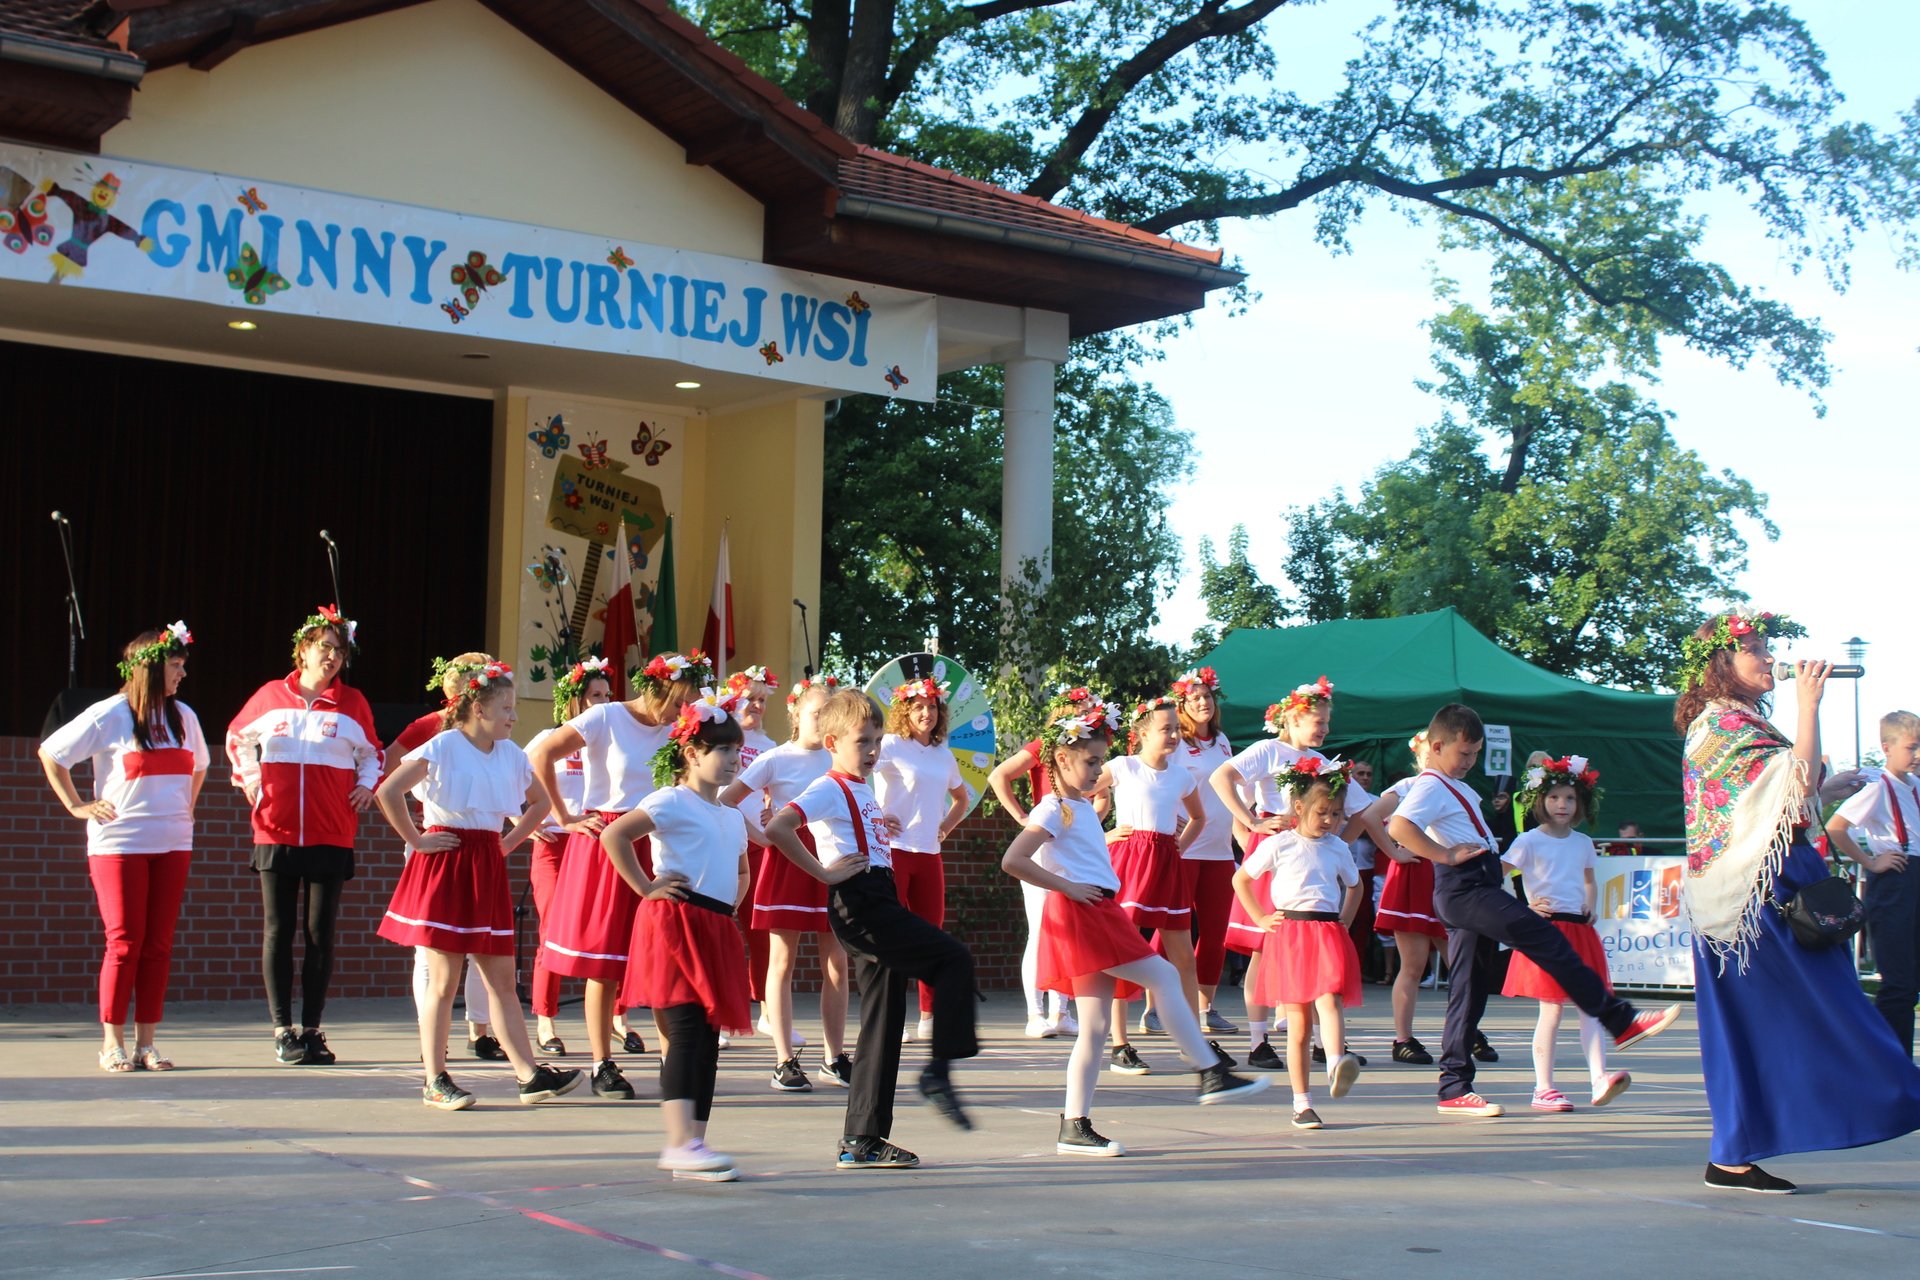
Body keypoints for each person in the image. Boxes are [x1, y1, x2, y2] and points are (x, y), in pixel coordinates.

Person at [1678, 610, 1920, 1191]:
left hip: (1762, 894)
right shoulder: (1724, 728)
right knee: (1830, 1010)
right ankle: (1898, 1098)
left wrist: (1825, 789)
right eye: (1754, 650)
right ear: (1722, 666)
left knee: (1770, 1023)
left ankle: (1731, 1155)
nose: (1768, 659)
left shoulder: (1739, 725)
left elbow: (1787, 799)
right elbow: (1796, 783)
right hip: (1758, 900)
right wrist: (1809, 705)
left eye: (1766, 648)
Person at [1002, 694, 1270, 1156]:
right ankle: (1208, 1070)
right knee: (1165, 974)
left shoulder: (1083, 809)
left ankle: (1074, 1124)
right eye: (1089, 762)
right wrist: (1065, 888)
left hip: (1095, 909)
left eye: (1100, 761)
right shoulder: (1053, 808)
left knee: (1093, 1028)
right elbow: (1013, 860)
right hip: (1084, 913)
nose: (1096, 771)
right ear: (1061, 759)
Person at [1389, 703, 1678, 1118]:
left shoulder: (1456, 786)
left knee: (1468, 990)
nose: (1470, 762)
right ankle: (1620, 1020)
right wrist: (1444, 855)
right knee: (1546, 938)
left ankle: (1454, 1086)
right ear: (1436, 746)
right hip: (1466, 887)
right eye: (1464, 753)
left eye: (1476, 754)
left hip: (1477, 882)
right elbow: (1399, 827)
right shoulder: (1432, 784)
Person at [764, 689, 980, 1170]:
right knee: (953, 958)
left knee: (884, 1021)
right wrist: (823, 874)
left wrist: (880, 821)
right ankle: (939, 1073)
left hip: (876, 896)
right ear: (834, 740)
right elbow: (780, 827)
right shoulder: (828, 785)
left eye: (878, 740)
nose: (873, 750)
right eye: (863, 740)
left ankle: (861, 1139)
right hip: (860, 902)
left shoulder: (863, 790)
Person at [373, 658, 581, 1110]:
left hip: (486, 859)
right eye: (506, 706)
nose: (513, 715)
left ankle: (529, 1074)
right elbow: (388, 791)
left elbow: (540, 802)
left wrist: (506, 843)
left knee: (502, 980)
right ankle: (435, 1078)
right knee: (444, 980)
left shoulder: (511, 754)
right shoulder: (444, 744)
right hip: (446, 860)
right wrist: (417, 840)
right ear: (478, 708)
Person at [529, 650, 709, 1101]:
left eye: (688, 702)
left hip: (660, 840)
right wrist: (565, 816)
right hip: (607, 840)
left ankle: (674, 1061)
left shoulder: (680, 727)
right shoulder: (605, 717)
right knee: (605, 963)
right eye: (678, 700)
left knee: (669, 958)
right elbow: (542, 754)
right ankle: (601, 1064)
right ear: (657, 687)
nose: (681, 711)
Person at [601, 691, 756, 1181]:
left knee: (707, 1037)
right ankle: (678, 1142)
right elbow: (614, 835)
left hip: (715, 926)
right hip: (676, 922)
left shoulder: (731, 815)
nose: (734, 760)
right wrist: (647, 886)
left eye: (737, 751)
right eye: (723, 751)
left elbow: (741, 867)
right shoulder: (670, 800)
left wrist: (731, 902)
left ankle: (695, 1141)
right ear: (692, 754)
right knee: (686, 1029)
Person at [40, 622, 207, 1073]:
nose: (182, 674)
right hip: (120, 843)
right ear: (149, 668)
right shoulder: (109, 714)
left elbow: (199, 767)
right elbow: (52, 753)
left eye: (183, 666)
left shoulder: (184, 717)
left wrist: (184, 810)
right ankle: (111, 1043)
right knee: (124, 942)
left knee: (158, 944)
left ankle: (146, 1043)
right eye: (175, 665)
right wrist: (78, 805)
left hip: (173, 843)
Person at [226, 606, 382, 1067]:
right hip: (274, 830)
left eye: (339, 651)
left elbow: (372, 754)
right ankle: (282, 1029)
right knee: (278, 929)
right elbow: (238, 739)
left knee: (320, 933)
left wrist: (365, 786)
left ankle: (313, 1028)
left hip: (331, 832)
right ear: (303, 650)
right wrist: (253, 784)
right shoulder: (271, 696)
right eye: (324, 647)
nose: (332, 657)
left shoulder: (352, 702)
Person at [1209, 678, 1381, 1070]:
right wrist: (1250, 821)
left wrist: (1341, 840)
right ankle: (1258, 1041)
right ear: (1293, 717)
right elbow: (1221, 778)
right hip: (1276, 849)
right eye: (1318, 721)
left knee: (1315, 958)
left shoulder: (1328, 766)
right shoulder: (1270, 750)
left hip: (1314, 856)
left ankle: (1325, 1044)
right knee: (1263, 947)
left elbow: (1365, 809)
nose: (1324, 729)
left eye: (1326, 723)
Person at [720, 675, 852, 1091]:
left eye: (829, 714)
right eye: (816, 713)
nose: (823, 721)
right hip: (789, 860)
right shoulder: (775, 758)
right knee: (782, 960)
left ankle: (834, 1056)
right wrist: (759, 836)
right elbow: (726, 798)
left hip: (832, 857)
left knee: (836, 961)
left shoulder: (839, 757)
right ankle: (783, 1061)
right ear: (795, 713)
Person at [390, 652, 514, 1061]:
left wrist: (509, 837)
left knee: (485, 948)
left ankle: (480, 1030)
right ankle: (434, 1044)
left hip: (480, 849)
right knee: (434, 953)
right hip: (440, 842)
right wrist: (420, 832)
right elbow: (391, 772)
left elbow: (518, 791)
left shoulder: (500, 744)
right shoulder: (436, 731)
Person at [1235, 757, 1365, 1129]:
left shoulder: (1338, 847)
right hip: (1291, 933)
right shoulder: (1280, 844)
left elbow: (1354, 885)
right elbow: (1241, 880)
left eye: (1337, 814)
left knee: (1331, 999)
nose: (1330, 820)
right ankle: (1302, 1102)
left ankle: (1338, 1061)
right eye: (1322, 812)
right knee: (1298, 1026)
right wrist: (1260, 917)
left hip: (1327, 932)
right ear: (1298, 808)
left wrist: (1346, 919)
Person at [1501, 756, 1630, 1111]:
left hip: (1579, 929)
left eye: (1570, 799)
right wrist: (1524, 909)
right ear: (1540, 800)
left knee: (1591, 1007)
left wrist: (1591, 905)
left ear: (1581, 804)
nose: (1563, 805)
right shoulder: (1528, 841)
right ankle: (1543, 1087)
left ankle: (1599, 1077)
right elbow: (1500, 874)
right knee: (1552, 1010)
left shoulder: (1583, 843)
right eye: (1555, 797)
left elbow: (1589, 881)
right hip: (1546, 930)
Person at [1097, 696, 1208, 1072]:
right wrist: (1105, 835)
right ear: (1142, 734)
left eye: (1177, 728)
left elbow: (1197, 817)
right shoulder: (1122, 766)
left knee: (1183, 955)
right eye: (1166, 729)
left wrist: (1180, 845)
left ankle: (1193, 1041)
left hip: (1166, 861)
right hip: (1129, 859)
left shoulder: (1182, 775)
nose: (1175, 734)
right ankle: (1120, 1045)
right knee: (1123, 952)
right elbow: (1077, 792)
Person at [1365, 733, 1488, 1066]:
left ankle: (1466, 1030)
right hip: (1417, 873)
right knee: (1414, 964)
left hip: (1447, 877)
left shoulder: (1458, 788)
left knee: (1460, 961)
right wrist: (1393, 853)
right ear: (1426, 753)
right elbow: (1370, 817)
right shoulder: (1411, 786)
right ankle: (1403, 1038)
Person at [872, 676, 970, 1041]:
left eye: (931, 706)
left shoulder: (944, 754)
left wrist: (944, 828)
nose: (926, 713)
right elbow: (854, 773)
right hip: (895, 852)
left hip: (930, 854)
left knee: (931, 935)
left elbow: (960, 798)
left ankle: (928, 1016)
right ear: (905, 711)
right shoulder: (892, 745)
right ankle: (891, 1015)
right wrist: (876, 815)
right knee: (893, 937)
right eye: (918, 707)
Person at [525, 657, 614, 1054]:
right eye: (596, 695)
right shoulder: (548, 738)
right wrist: (524, 822)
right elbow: (516, 779)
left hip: (596, 840)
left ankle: (617, 1018)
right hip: (555, 844)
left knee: (612, 929)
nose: (604, 702)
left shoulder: (607, 738)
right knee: (552, 930)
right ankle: (546, 1020)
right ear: (575, 700)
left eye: (608, 695)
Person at [988, 696, 1088, 1038]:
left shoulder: (1087, 759)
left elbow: (1102, 794)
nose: (1087, 717)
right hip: (1044, 843)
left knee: (1071, 931)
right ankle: (1036, 1014)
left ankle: (1062, 1012)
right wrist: (1021, 816)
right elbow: (999, 776)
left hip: (1075, 848)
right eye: (1081, 712)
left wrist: (1091, 819)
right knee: (1042, 930)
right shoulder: (1041, 748)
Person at [1825, 710, 1920, 1055]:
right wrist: (1870, 861)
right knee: (1898, 985)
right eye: (1911, 747)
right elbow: (1836, 826)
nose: (1918, 754)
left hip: (1915, 879)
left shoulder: (1915, 785)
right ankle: (1886, 1066)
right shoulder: (1879, 785)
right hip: (1896, 880)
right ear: (1887, 747)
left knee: (1910, 984)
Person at [1165, 667, 1240, 1035]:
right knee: (1173, 929)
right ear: (1182, 704)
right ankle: (1156, 1006)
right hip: (1184, 848)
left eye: (1207, 696)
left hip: (1220, 851)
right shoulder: (1174, 740)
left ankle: (1205, 1007)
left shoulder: (1223, 741)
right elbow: (1158, 780)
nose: (1202, 702)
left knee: (1216, 934)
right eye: (1193, 697)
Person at [724, 665, 781, 1042]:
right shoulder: (720, 736)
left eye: (762, 699)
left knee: (760, 931)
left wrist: (771, 815)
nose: (757, 705)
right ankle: (723, 1015)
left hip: (761, 849)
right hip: (725, 842)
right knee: (722, 928)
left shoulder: (772, 747)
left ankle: (765, 1008)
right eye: (750, 697)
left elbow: (774, 796)